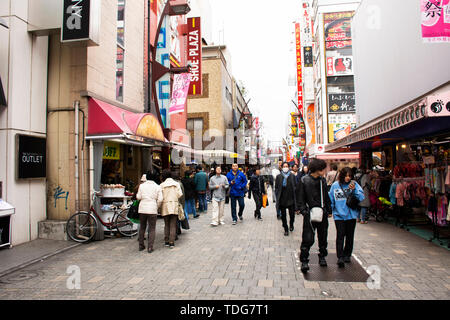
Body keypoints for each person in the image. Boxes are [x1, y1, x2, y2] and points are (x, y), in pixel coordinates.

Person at [296, 159, 331, 273]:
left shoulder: (322, 181)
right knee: (308, 237)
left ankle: (322, 256)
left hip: (322, 212)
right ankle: (304, 260)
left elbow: (326, 196)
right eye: (323, 169)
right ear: (318, 169)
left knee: (323, 236)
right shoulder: (304, 180)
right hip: (309, 213)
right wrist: (304, 211)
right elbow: (300, 198)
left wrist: (327, 210)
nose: (324, 171)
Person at [329, 167, 365, 268]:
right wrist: (330, 211)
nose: (348, 178)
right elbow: (331, 198)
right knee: (340, 236)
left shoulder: (354, 185)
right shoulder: (335, 186)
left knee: (349, 236)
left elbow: (361, 197)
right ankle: (340, 256)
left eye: (350, 176)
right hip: (339, 216)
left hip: (351, 215)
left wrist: (354, 190)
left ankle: (347, 255)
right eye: (346, 175)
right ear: (342, 175)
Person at [136, 171, 163, 253]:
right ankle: (150, 247)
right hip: (152, 208)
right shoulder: (157, 187)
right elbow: (160, 199)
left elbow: (138, 197)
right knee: (152, 228)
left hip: (142, 208)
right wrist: (157, 205)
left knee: (142, 227)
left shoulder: (141, 186)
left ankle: (141, 245)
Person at [160, 170, 183, 249]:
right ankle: (171, 242)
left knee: (166, 224)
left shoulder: (162, 185)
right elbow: (180, 194)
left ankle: (166, 240)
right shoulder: (176, 184)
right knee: (173, 224)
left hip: (165, 205)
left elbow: (160, 197)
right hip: (174, 205)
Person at [275, 162, 298, 236]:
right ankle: (285, 228)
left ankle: (291, 224)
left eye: (286, 166)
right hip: (282, 199)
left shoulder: (292, 176)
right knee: (283, 216)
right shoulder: (279, 177)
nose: (285, 167)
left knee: (292, 215)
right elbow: (276, 188)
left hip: (291, 198)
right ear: (281, 167)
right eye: (284, 166)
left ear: (289, 167)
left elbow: (296, 186)